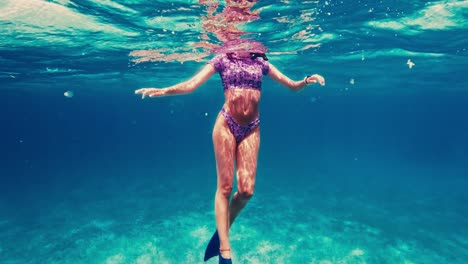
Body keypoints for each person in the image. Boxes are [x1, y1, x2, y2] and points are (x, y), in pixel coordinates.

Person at [135, 49, 325, 264]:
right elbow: (192, 84)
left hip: (252, 128)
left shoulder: (261, 62)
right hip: (226, 124)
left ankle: (222, 229)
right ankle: (225, 252)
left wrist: (307, 80)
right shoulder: (222, 58)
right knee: (225, 188)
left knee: (246, 191)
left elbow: (292, 86)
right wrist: (164, 91)